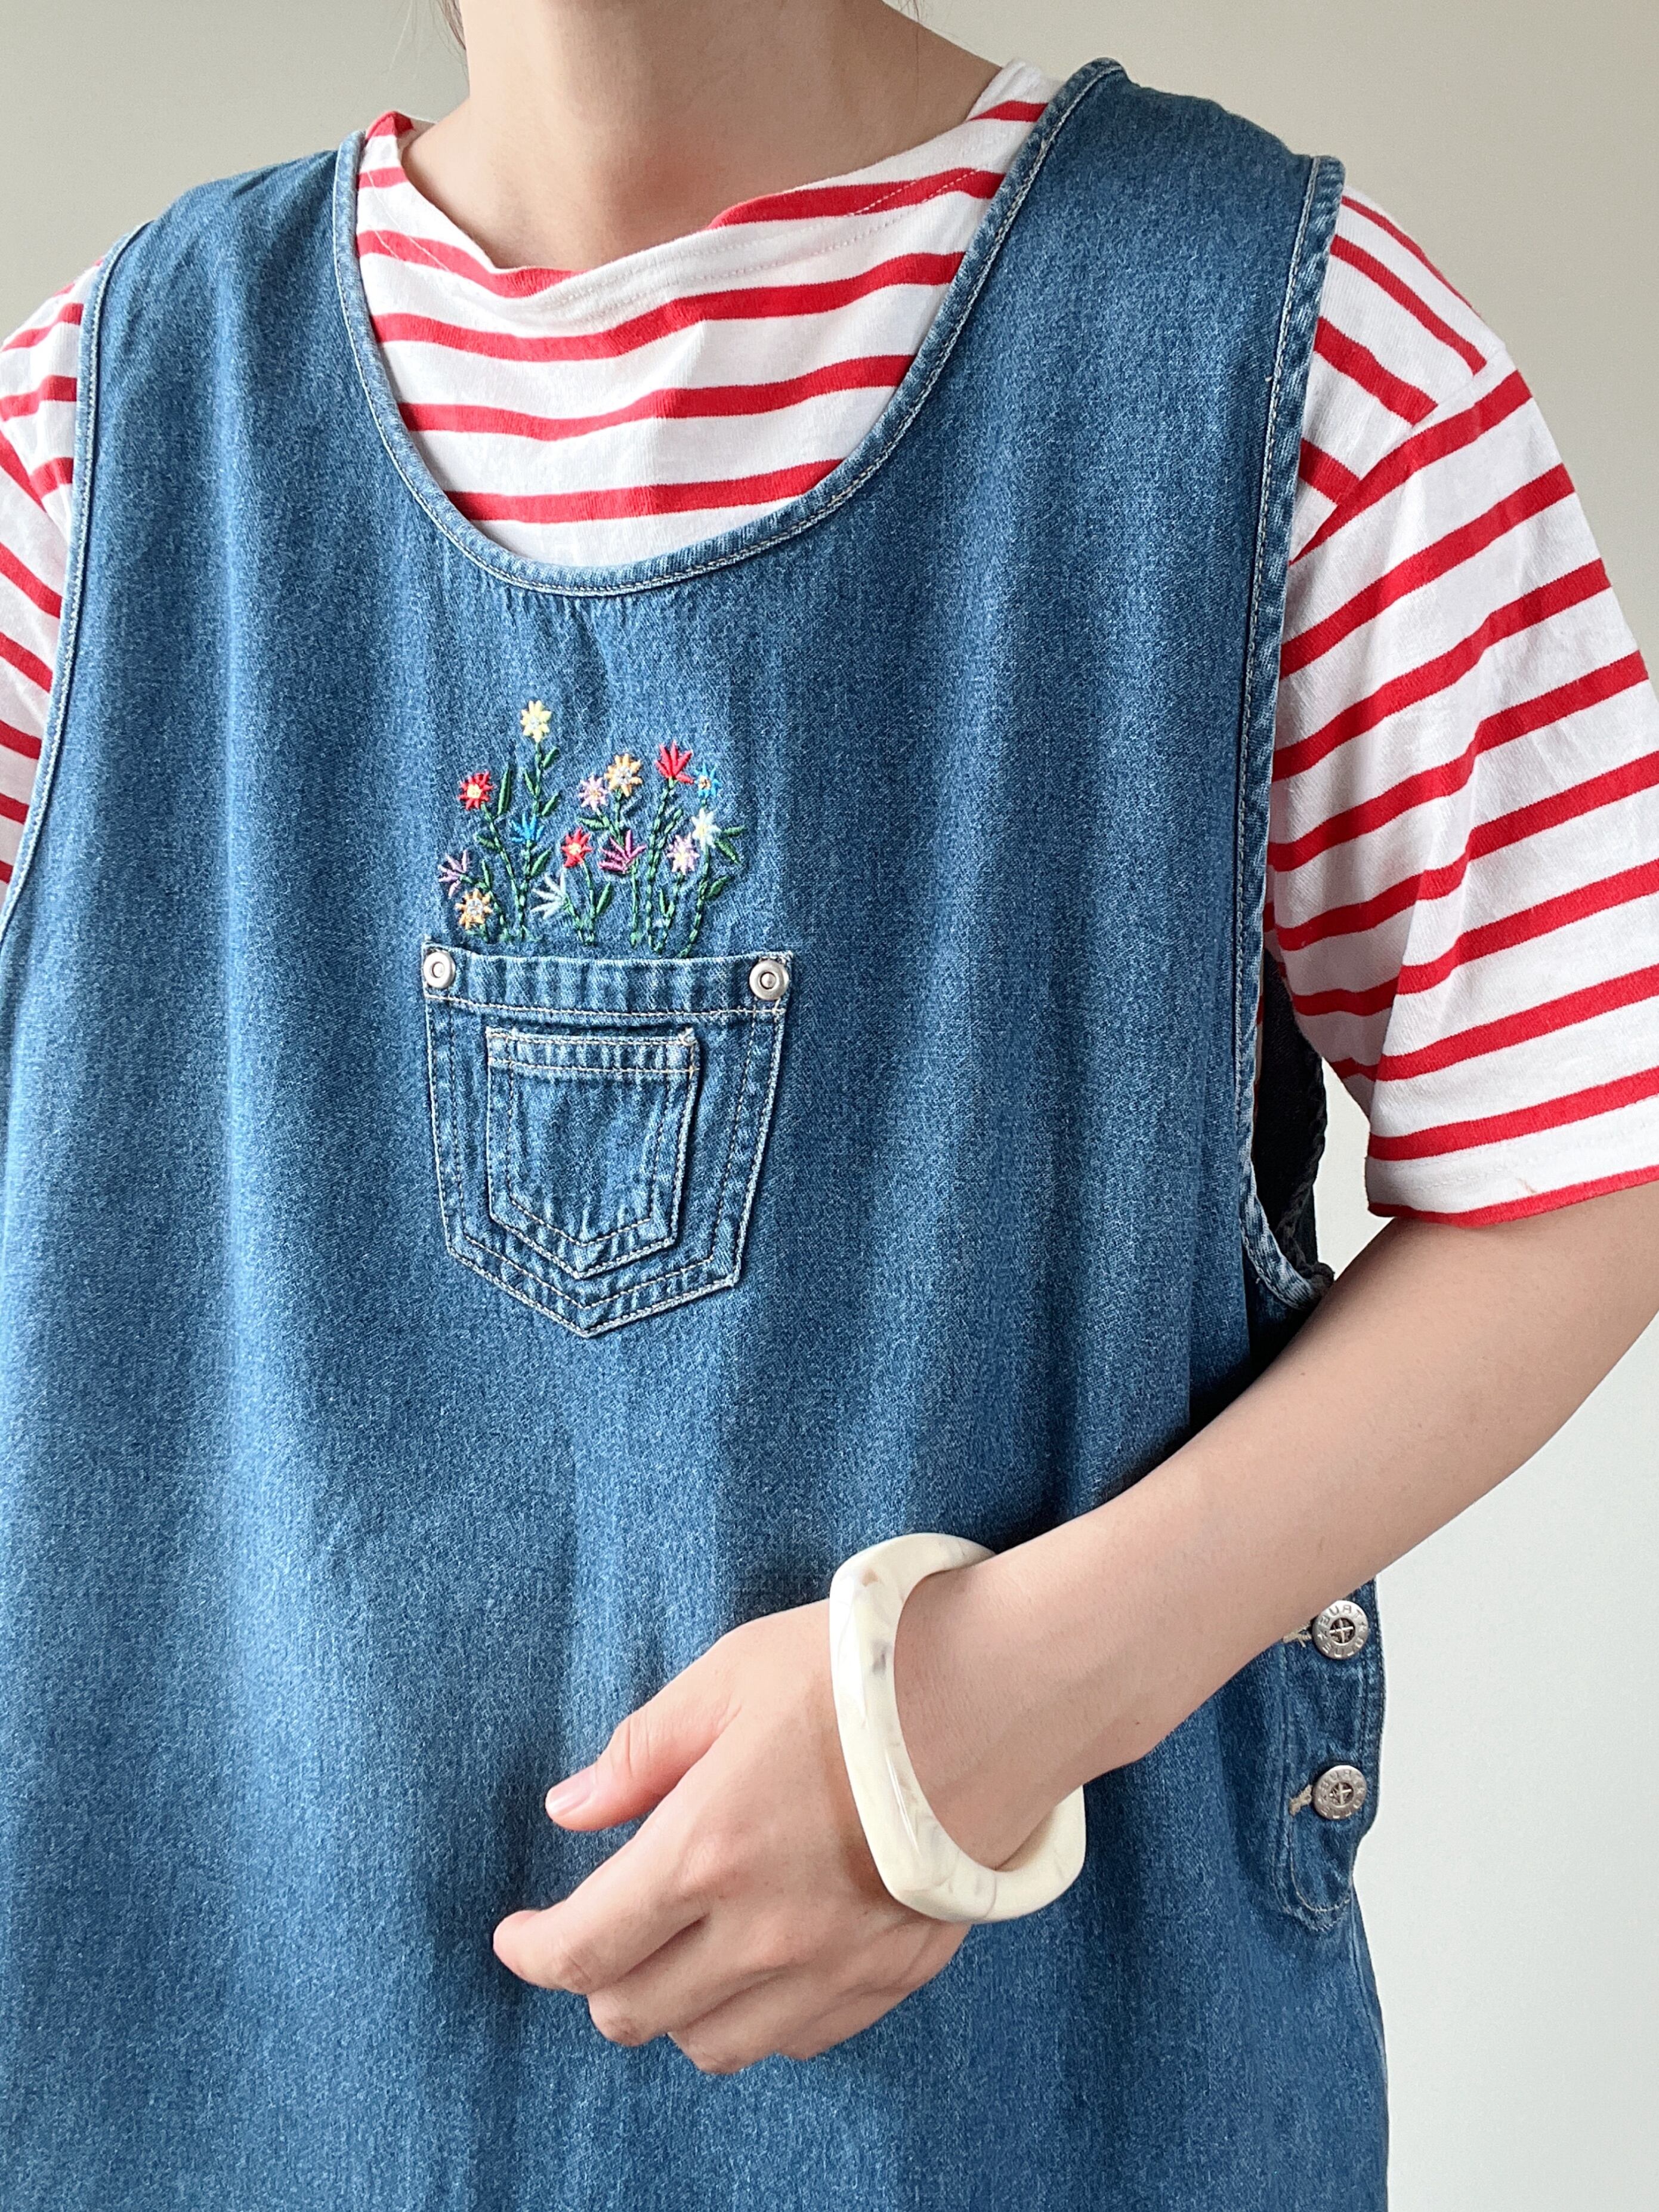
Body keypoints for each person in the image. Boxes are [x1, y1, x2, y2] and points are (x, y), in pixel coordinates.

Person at [0, 2, 1655, 2205]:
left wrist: (970, 1711)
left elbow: (1595, 1154)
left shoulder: (1295, 361)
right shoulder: (89, 445)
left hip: (1021, 2126)